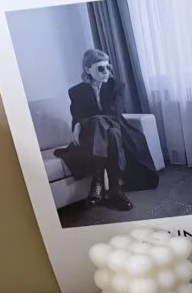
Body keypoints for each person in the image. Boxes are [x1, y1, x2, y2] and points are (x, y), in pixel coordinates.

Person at [54, 48, 159, 211]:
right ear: (88, 69)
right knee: (108, 131)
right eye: (100, 68)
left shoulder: (116, 85)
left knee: (110, 130)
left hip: (116, 126)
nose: (106, 72)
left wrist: (83, 122)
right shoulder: (75, 91)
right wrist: (77, 126)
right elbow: (77, 115)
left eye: (108, 67)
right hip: (91, 134)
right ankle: (116, 192)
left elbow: (114, 113)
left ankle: (98, 180)